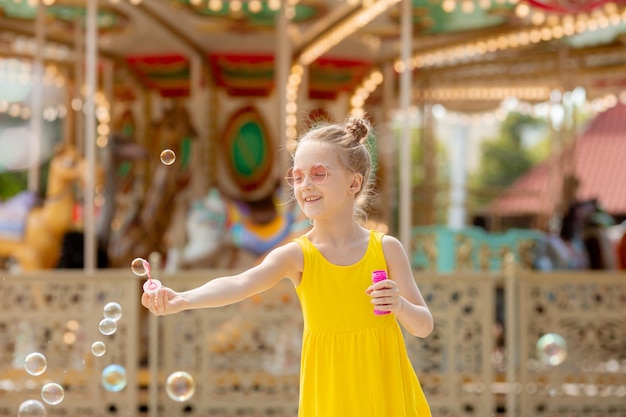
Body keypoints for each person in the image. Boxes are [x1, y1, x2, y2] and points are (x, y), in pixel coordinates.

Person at [142, 116, 434, 416]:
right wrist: (182, 299)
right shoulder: (298, 255)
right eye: (297, 176)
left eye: (319, 174)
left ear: (354, 182)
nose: (305, 185)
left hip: (389, 393)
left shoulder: (386, 249)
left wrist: (398, 304)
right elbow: (240, 283)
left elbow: (423, 326)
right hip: (331, 395)